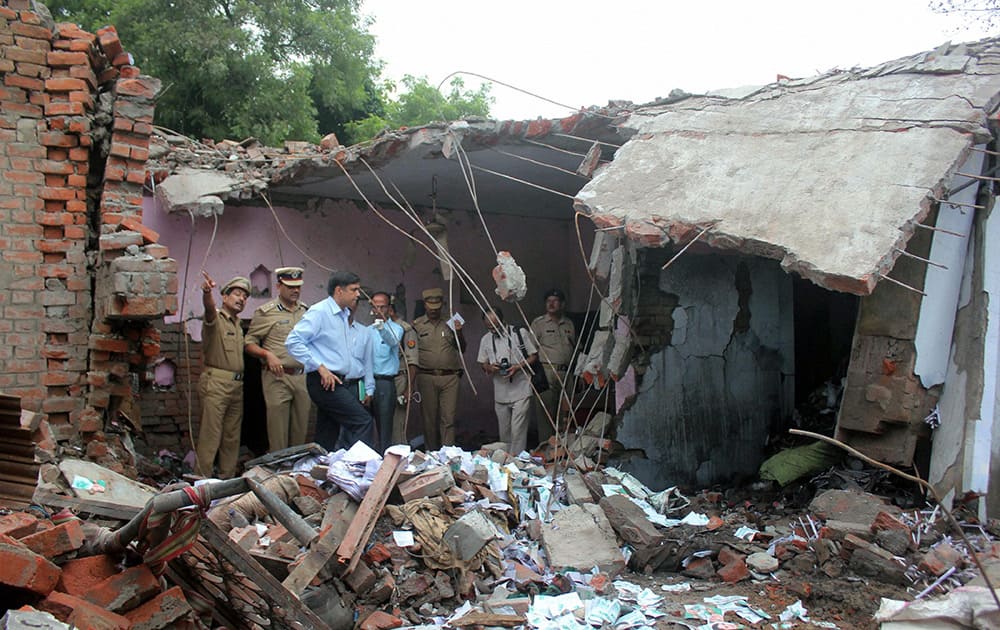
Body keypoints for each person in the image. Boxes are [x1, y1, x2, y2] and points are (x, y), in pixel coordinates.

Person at [285, 271, 375, 451]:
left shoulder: (343, 315)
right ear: (339, 291)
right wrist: (320, 367)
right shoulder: (320, 311)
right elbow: (293, 341)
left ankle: (319, 471)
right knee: (363, 421)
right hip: (324, 380)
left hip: (338, 380)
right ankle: (359, 468)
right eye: (354, 290)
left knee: (327, 433)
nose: (358, 294)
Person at [245, 267, 310, 453]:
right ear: (278, 286)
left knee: (300, 431)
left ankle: (297, 474)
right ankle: (279, 473)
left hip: (301, 377)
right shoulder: (266, 312)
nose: (295, 291)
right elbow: (248, 342)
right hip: (277, 378)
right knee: (278, 432)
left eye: (298, 286)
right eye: (290, 286)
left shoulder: (306, 311)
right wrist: (267, 354)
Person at [196, 272, 250, 478]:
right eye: (237, 294)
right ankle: (202, 481)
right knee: (211, 435)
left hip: (236, 387)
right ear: (225, 297)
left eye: (245, 297)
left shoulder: (238, 325)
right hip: (216, 383)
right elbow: (209, 309)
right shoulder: (216, 319)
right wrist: (207, 292)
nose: (241, 299)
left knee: (232, 437)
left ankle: (226, 480)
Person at [477, 307, 538, 455]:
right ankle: (505, 460)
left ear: (502, 320)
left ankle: (516, 461)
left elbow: (533, 356)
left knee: (518, 431)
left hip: (521, 388)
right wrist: (491, 367)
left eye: (496, 325)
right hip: (501, 392)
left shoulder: (519, 333)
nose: (493, 329)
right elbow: (482, 363)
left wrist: (517, 367)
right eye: (489, 327)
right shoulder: (486, 339)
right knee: (504, 434)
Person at [413, 287, 466, 449]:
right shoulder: (416, 325)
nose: (434, 311)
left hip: (450, 377)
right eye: (430, 307)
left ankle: (447, 455)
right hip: (426, 377)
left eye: (437, 308)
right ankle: (432, 454)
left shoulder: (452, 321)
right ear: (425, 305)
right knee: (429, 420)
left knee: (448, 419)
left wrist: (459, 332)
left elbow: (462, 349)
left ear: (443, 304)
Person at [530, 289, 577, 444]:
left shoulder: (569, 324)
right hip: (547, 372)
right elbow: (531, 350)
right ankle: (546, 448)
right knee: (546, 414)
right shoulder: (539, 323)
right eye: (548, 300)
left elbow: (575, 347)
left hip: (566, 374)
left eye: (555, 300)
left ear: (562, 304)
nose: (551, 303)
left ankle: (563, 448)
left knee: (566, 413)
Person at [369, 292, 406, 450]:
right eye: (375, 306)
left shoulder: (396, 329)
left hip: (385, 383)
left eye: (382, 306)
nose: (378, 309)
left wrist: (382, 326)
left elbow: (393, 341)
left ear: (388, 308)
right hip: (368, 382)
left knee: (385, 427)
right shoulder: (367, 330)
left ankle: (385, 461)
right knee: (365, 424)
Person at [390, 299, 419, 446]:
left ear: (390, 310)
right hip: (381, 381)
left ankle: (399, 456)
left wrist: (409, 388)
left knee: (397, 423)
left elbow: (412, 362)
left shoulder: (405, 330)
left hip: (399, 379)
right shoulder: (376, 328)